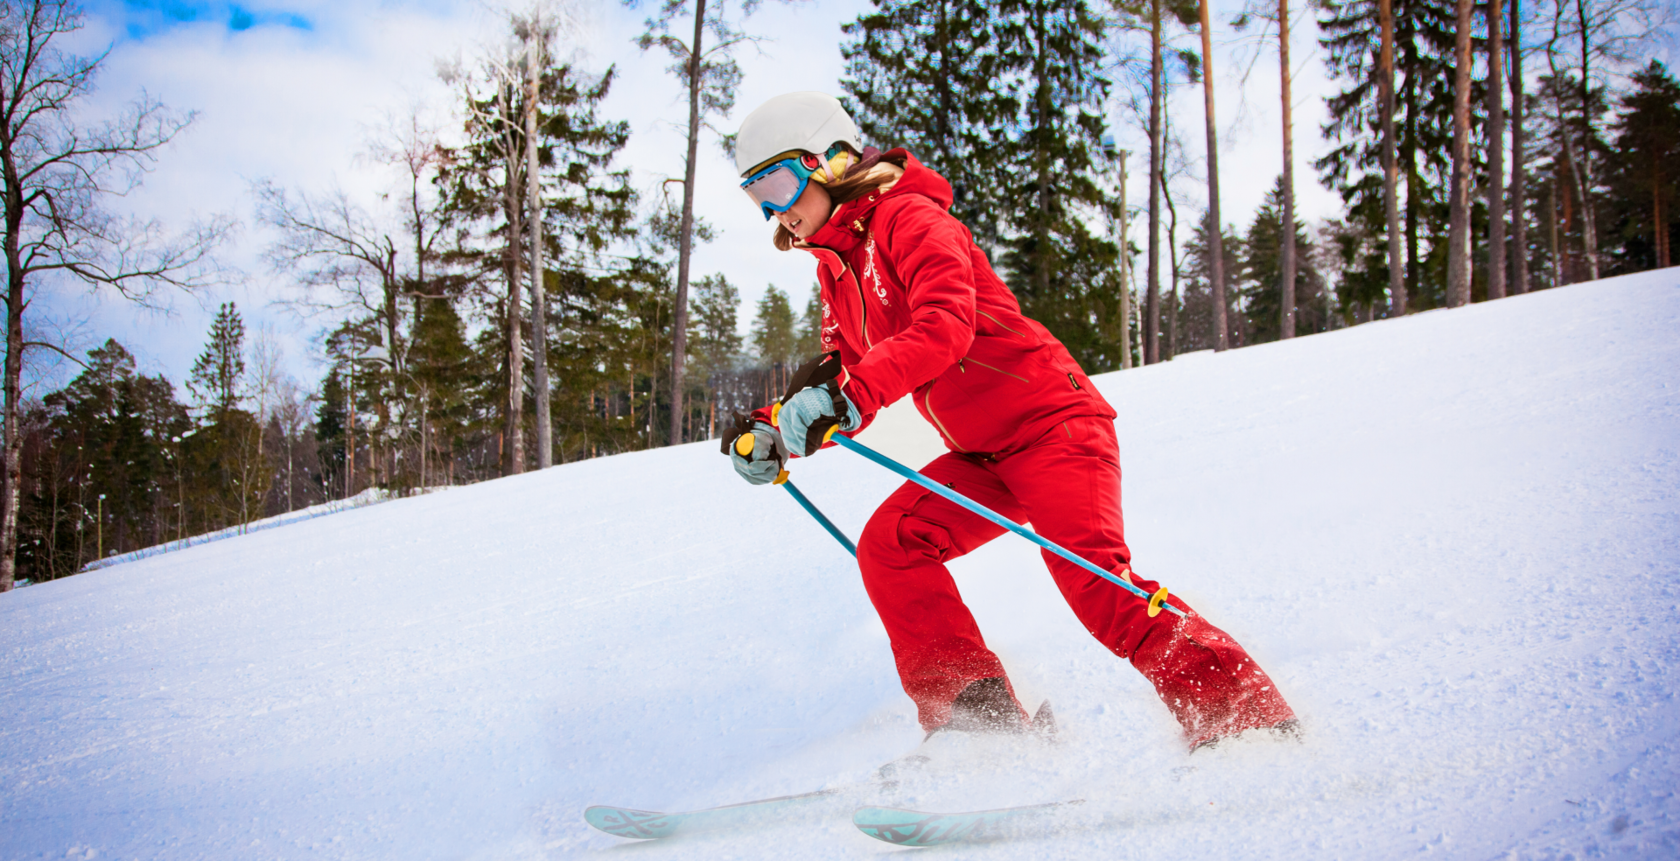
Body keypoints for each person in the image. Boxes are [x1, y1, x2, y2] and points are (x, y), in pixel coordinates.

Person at [723, 91, 1295, 752]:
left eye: (776, 182)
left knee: (1098, 586)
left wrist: (850, 395)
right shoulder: (839, 270)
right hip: (984, 455)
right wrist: (774, 428)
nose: (773, 210)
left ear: (829, 159)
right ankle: (978, 722)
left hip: (1053, 426)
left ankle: (1246, 719)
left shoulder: (911, 219)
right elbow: (844, 371)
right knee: (892, 545)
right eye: (754, 197)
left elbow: (945, 327)